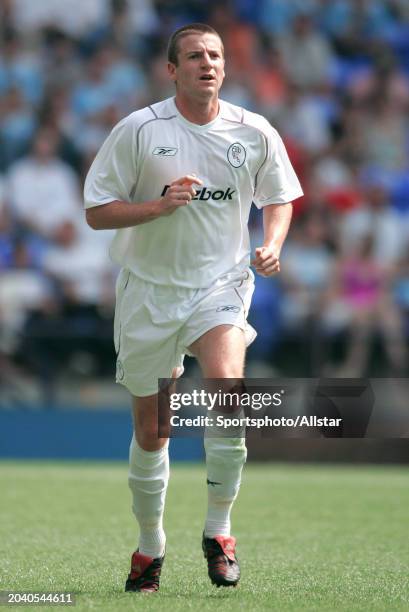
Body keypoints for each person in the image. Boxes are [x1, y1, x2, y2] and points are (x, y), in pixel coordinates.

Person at [84, 23, 303, 594]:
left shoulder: (254, 130)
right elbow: (97, 211)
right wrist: (157, 208)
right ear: (171, 69)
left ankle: (219, 531)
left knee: (227, 395)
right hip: (149, 291)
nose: (207, 63)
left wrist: (273, 243)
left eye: (215, 55)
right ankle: (150, 547)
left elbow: (279, 196)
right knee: (153, 432)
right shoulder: (139, 129)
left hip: (221, 286)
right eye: (194, 56)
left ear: (225, 67)